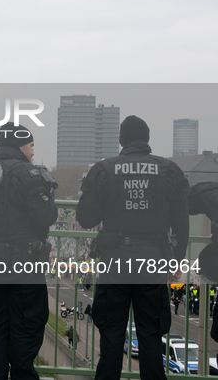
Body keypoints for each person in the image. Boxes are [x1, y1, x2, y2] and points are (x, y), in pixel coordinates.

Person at [76, 115, 189, 380]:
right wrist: (176, 261)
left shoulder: (104, 170)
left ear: (121, 141)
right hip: (153, 260)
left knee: (112, 333)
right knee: (150, 336)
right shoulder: (169, 170)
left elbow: (85, 218)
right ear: (147, 140)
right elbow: (181, 224)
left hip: (115, 261)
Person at [0, 122, 58, 380]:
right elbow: (46, 216)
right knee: (26, 329)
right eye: (31, 146)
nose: (31, 152)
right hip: (23, 265)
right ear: (21, 145)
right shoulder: (27, 173)